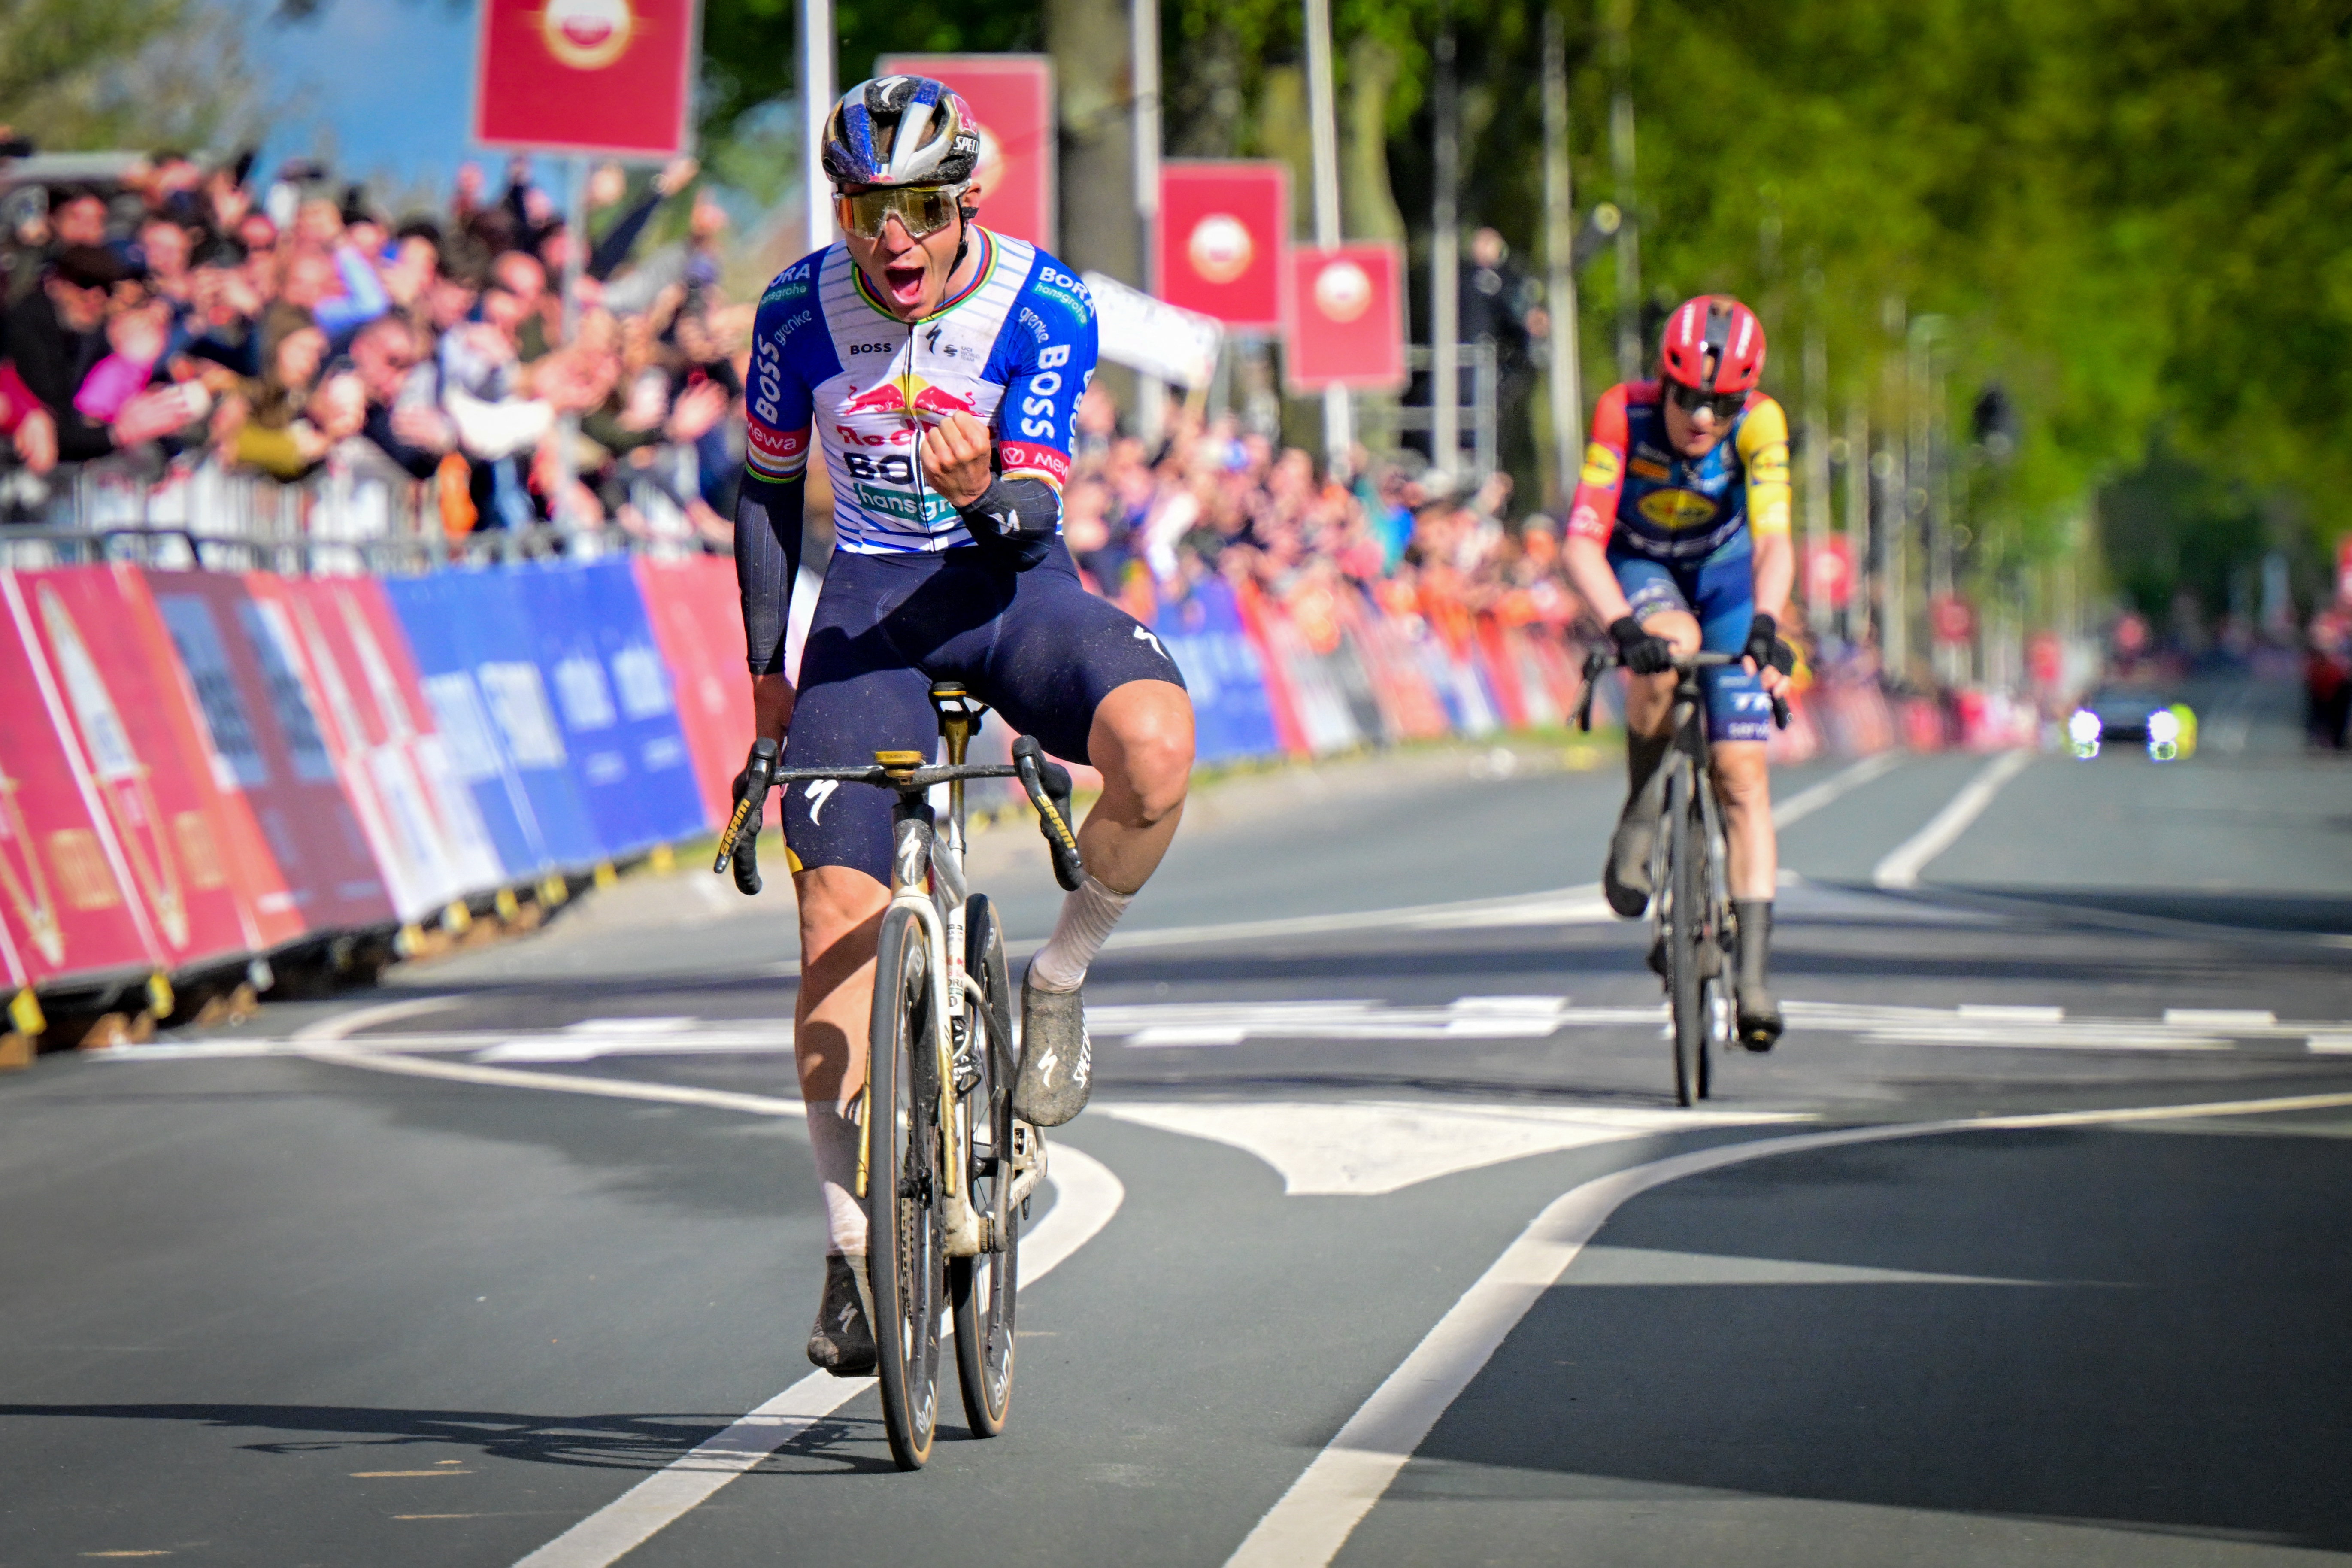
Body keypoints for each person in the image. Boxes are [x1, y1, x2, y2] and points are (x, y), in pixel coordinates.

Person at [734, 75, 1195, 1377]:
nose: (894, 239)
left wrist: (983, 484)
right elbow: (767, 495)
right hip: (870, 612)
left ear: (966, 203)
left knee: (1156, 746)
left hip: (1008, 592)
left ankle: (1055, 983)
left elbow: (1034, 513)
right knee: (833, 915)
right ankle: (849, 1244)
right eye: (865, 210)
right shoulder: (794, 312)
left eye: (922, 210)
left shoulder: (1043, 301)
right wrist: (767, 675)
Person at [1559, 294, 1796, 1049]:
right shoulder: (1622, 414)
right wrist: (1621, 627)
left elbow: (1775, 541)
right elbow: (1581, 542)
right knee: (1670, 644)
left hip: (1727, 579)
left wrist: (1768, 623)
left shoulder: (1762, 423)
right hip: (1644, 567)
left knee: (1742, 774)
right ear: (1663, 382)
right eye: (1688, 396)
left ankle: (1752, 976)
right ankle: (1640, 810)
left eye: (1721, 405)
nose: (1701, 417)